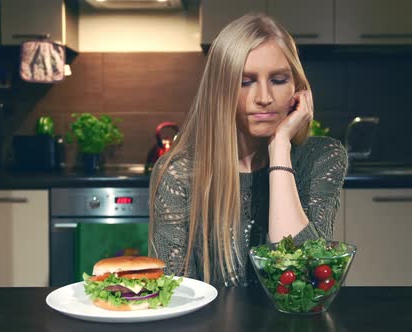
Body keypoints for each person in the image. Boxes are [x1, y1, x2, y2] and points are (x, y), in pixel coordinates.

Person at [148, 13, 348, 287]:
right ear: (220, 91)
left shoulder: (322, 158)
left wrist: (280, 149)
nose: (264, 98)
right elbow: (174, 293)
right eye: (245, 81)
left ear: (297, 89)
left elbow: (304, 280)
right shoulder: (179, 172)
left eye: (278, 80)